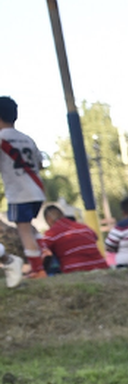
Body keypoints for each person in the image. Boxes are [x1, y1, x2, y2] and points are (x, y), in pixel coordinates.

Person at [0, 96, 46, 278]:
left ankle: (38, 270)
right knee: (30, 227)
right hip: (37, 190)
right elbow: (40, 164)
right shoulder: (27, 139)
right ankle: (45, 249)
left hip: (19, 193)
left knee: (24, 230)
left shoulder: (1, 139)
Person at [37, 205, 108, 274]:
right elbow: (95, 237)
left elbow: (43, 252)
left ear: (48, 220)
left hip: (74, 270)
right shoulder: (84, 227)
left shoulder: (51, 233)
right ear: (62, 215)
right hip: (101, 266)